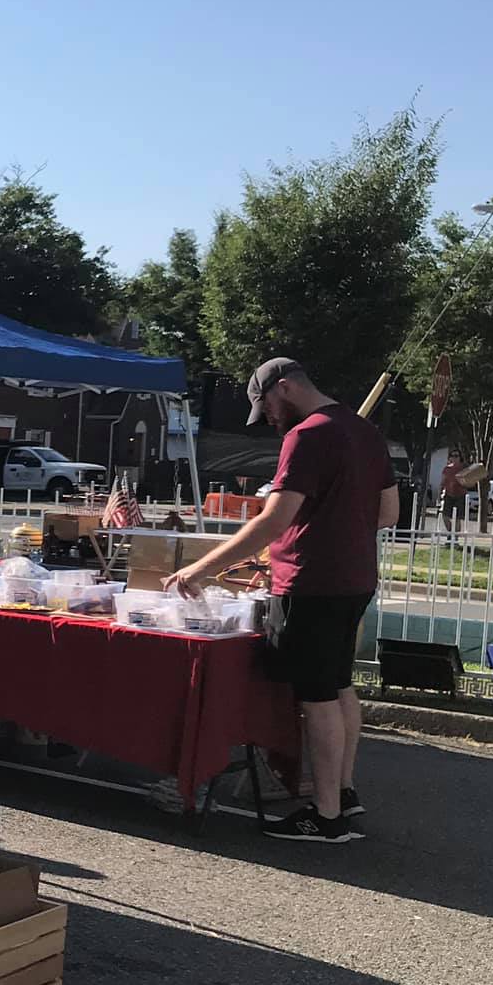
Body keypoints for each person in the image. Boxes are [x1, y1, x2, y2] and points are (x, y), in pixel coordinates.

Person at [166, 358, 397, 844]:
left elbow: (273, 520)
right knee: (338, 686)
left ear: (285, 387)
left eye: (266, 405)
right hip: (355, 579)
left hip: (312, 583)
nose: (268, 417)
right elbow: (388, 512)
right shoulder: (365, 432)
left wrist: (199, 569)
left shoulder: (307, 436)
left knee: (316, 698)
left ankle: (327, 815)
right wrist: (336, 531)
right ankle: (345, 791)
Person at [438, 451, 471, 534]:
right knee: (444, 516)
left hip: (460, 495)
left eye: (456, 456)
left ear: (460, 457)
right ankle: (450, 533)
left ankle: (455, 538)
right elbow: (442, 482)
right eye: (452, 456)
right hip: (448, 495)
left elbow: (470, 482)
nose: (454, 458)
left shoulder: (464, 468)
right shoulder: (447, 469)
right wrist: (439, 496)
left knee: (457, 518)